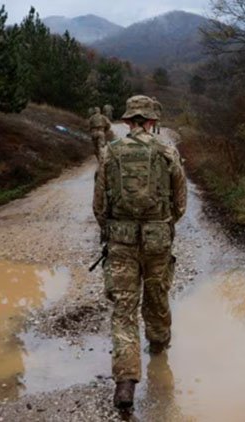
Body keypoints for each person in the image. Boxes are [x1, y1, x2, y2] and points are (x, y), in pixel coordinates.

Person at [92, 95, 187, 410]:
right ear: (152, 121)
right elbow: (180, 203)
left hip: (121, 243)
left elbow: (99, 207)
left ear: (127, 121)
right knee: (157, 295)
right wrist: (163, 224)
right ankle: (159, 350)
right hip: (158, 240)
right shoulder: (167, 151)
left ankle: (126, 382)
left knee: (123, 310)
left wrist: (113, 229)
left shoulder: (110, 153)